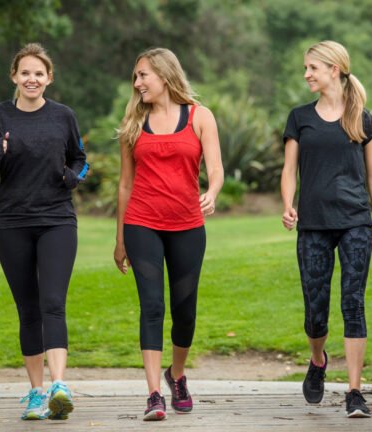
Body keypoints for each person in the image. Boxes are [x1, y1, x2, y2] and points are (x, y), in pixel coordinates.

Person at [0, 42, 89, 421]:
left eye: (39, 73)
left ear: (49, 78)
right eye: (25, 73)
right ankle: (36, 394)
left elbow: (80, 159)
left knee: (53, 302)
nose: (32, 79)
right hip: (11, 223)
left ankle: (59, 386)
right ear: (14, 77)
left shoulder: (63, 116)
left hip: (57, 220)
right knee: (28, 309)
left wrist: (71, 177)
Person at [280, 40, 372, 418]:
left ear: (334, 69)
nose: (307, 74)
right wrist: (287, 205)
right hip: (312, 225)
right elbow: (288, 170)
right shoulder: (300, 117)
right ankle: (318, 359)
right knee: (316, 312)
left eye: (312, 67)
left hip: (355, 223)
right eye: (306, 68)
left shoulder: (364, 120)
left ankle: (355, 392)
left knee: (353, 303)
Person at [113, 47, 224, 421]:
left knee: (184, 311)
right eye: (136, 77)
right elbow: (125, 185)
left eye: (143, 75)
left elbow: (216, 167)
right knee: (152, 306)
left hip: (187, 225)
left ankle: (176, 375)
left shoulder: (199, 116)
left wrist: (211, 192)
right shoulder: (133, 120)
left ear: (164, 75)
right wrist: (120, 239)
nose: (138, 82)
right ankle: (154, 395)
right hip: (142, 222)